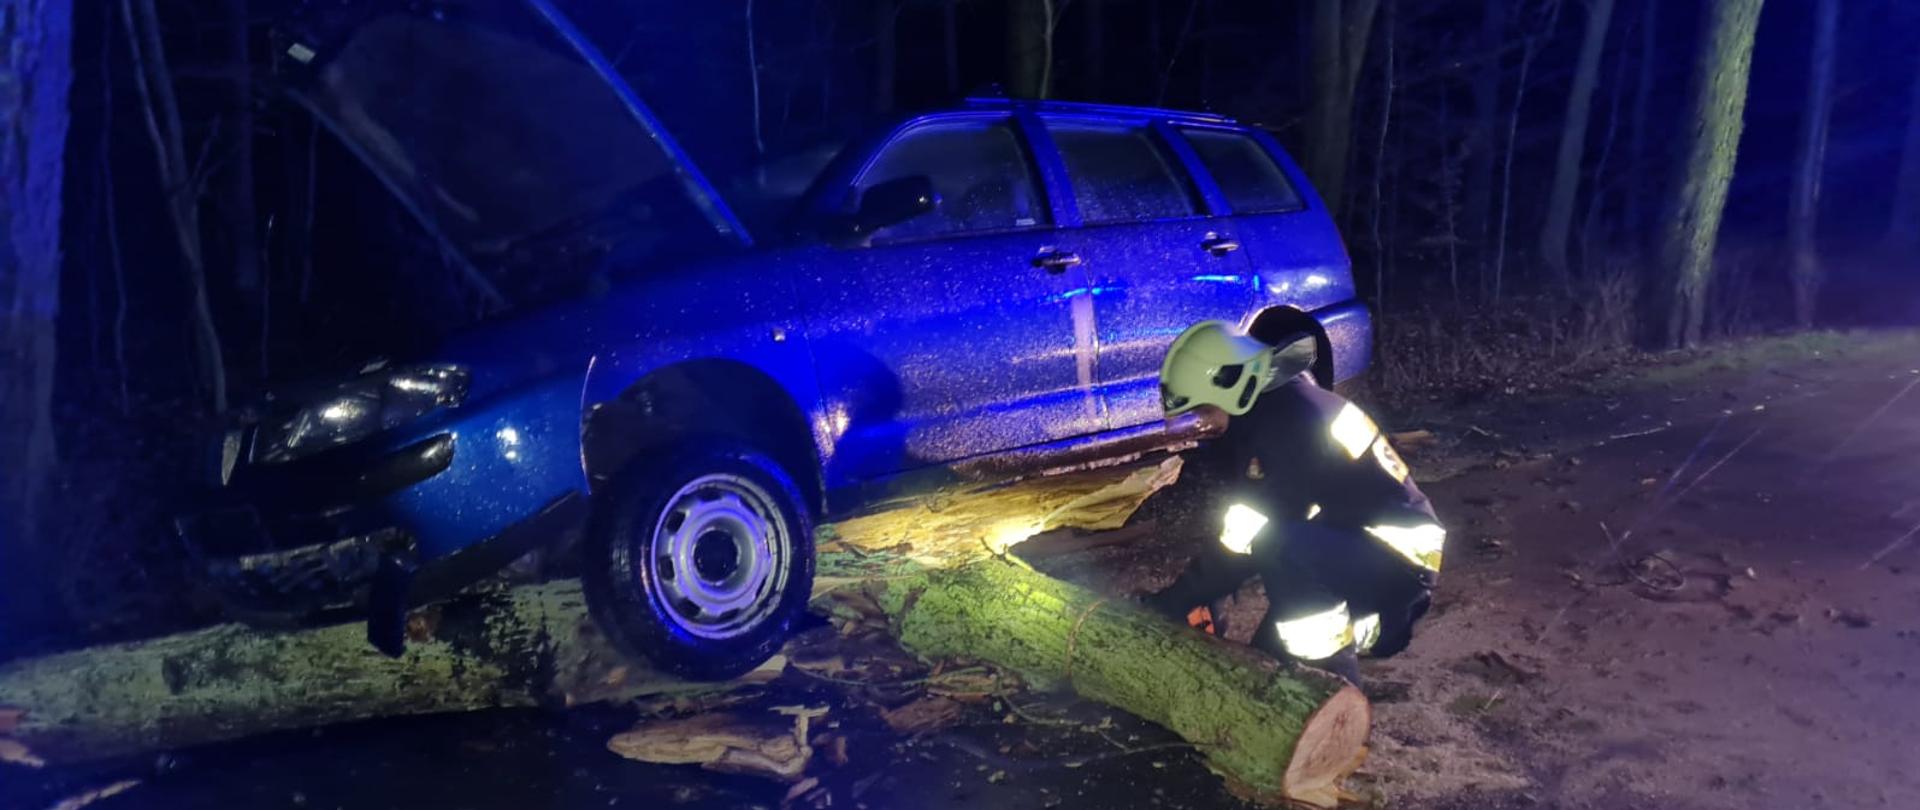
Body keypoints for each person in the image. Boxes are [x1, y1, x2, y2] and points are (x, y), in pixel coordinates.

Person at [1140, 322, 1443, 684]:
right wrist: (1196, 595)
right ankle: (1362, 637)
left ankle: (1334, 686)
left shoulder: (1287, 427)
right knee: (1266, 658)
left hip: (1395, 560)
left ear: (1231, 387)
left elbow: (1248, 541)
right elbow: (1241, 536)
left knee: (1279, 545)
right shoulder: (1281, 409)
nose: (1203, 422)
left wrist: (1174, 602)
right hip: (1361, 546)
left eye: (1205, 409)